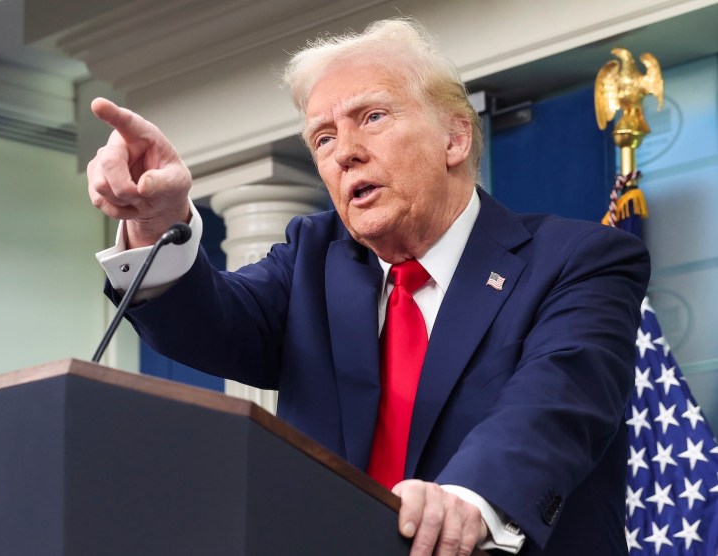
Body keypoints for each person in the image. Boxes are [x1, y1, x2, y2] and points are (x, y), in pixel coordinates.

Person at [87, 18, 649, 555]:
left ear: (454, 137)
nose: (344, 152)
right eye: (323, 138)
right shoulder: (313, 259)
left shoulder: (579, 261)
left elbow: (555, 403)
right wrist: (160, 224)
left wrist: (465, 503)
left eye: (372, 117)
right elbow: (208, 324)